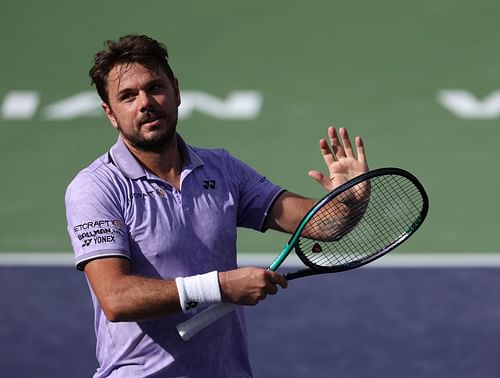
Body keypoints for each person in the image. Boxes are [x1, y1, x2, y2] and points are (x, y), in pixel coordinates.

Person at [65, 34, 368, 378]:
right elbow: (116, 298)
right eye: (128, 96)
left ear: (177, 92)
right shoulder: (96, 188)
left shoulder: (222, 169)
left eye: (155, 88)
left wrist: (348, 201)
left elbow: (320, 225)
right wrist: (221, 287)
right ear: (110, 113)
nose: (145, 102)